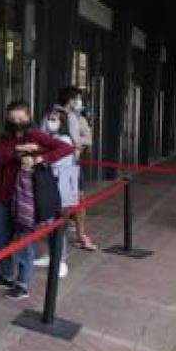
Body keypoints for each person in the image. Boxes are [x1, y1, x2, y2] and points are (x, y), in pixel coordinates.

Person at [0, 100, 76, 301]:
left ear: (28, 117)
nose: (17, 121)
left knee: (24, 241)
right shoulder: (5, 138)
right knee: (0, 240)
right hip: (4, 195)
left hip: (27, 197)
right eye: (13, 118)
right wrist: (18, 150)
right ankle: (6, 275)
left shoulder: (36, 135)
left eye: (21, 118)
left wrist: (39, 157)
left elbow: (66, 148)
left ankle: (22, 283)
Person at [33, 106, 80, 278]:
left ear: (62, 123)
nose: (50, 122)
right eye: (49, 118)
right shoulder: (50, 138)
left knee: (57, 225)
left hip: (60, 188)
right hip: (51, 186)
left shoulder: (65, 140)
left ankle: (60, 260)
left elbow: (54, 164)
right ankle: (52, 255)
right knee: (49, 224)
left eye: (54, 120)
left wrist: (41, 158)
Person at [56, 87, 97, 252]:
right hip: (60, 166)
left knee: (78, 200)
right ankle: (61, 244)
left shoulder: (77, 118)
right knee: (63, 204)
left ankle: (78, 236)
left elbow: (86, 140)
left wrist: (76, 144)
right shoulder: (55, 116)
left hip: (72, 165)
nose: (79, 102)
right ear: (70, 100)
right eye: (77, 99)